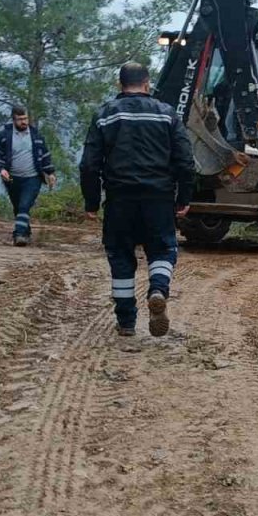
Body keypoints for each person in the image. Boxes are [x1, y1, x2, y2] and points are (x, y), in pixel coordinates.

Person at [78, 62, 194, 337]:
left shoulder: (105, 115)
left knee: (120, 256)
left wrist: (92, 202)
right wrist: (183, 198)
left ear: (120, 85)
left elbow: (88, 165)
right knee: (163, 249)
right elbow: (186, 162)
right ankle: (157, 289)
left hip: (120, 199)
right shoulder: (167, 114)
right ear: (147, 84)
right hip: (158, 198)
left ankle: (127, 322)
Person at [0, 105, 56, 246]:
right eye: (20, 119)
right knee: (18, 207)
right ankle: (26, 232)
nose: (24, 122)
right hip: (12, 178)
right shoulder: (5, 136)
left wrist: (50, 173)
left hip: (33, 178)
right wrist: (1, 169)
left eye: (25, 118)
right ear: (13, 120)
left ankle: (19, 235)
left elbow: (45, 155)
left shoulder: (36, 135)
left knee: (24, 205)